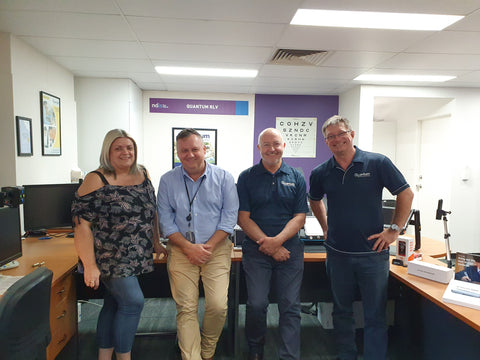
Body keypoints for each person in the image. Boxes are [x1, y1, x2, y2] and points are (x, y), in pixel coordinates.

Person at [309, 115, 414, 360]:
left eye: (341, 133)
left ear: (351, 134)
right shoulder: (321, 172)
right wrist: (325, 227)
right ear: (326, 142)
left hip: (372, 256)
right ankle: (347, 355)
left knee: (375, 314)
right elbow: (314, 200)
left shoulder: (377, 163)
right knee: (342, 312)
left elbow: (406, 194)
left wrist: (394, 230)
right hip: (338, 255)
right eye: (330, 137)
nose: (337, 139)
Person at [72, 129, 167, 360]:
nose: (126, 152)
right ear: (108, 151)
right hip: (109, 255)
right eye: (119, 148)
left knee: (114, 304)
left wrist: (156, 241)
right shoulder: (96, 178)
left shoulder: (143, 173)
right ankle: (125, 357)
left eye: (129, 147)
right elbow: (80, 224)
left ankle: (104, 356)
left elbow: (151, 211)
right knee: (133, 303)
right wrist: (90, 265)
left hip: (137, 252)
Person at [157, 128, 239, 360]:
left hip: (217, 249)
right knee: (186, 308)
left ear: (205, 150)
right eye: (184, 150)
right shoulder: (167, 180)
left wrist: (208, 247)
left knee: (217, 306)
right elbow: (165, 220)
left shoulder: (223, 178)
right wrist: (188, 247)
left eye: (195, 149)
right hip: (181, 250)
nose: (190, 154)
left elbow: (229, 218)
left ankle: (207, 349)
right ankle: (191, 356)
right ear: (177, 152)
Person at [237, 128, 308, 360]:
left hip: (290, 251)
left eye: (276, 144)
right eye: (266, 144)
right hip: (256, 251)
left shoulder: (296, 176)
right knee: (257, 303)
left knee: (290, 305)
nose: (271, 148)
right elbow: (243, 218)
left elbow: (299, 217)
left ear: (284, 146)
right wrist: (268, 245)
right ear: (259, 148)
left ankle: (289, 355)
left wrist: (277, 243)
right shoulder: (247, 177)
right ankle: (256, 349)